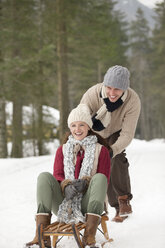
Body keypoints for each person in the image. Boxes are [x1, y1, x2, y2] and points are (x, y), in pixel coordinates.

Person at [26, 104, 111, 248]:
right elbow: (58, 175)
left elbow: (104, 180)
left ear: (88, 127)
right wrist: (65, 186)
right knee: (44, 176)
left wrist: (86, 183)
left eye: (81, 125)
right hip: (64, 204)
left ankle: (89, 235)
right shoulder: (62, 150)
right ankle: (40, 235)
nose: (77, 129)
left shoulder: (101, 151)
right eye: (73, 125)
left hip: (89, 204)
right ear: (70, 128)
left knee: (100, 178)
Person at [80, 65, 141, 222]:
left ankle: (123, 201)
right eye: (109, 88)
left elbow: (127, 134)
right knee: (99, 165)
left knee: (116, 158)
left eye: (117, 89)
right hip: (95, 131)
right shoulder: (93, 94)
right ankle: (99, 206)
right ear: (104, 85)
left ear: (124, 89)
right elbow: (81, 116)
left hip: (117, 132)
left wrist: (113, 150)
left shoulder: (132, 100)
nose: (112, 93)